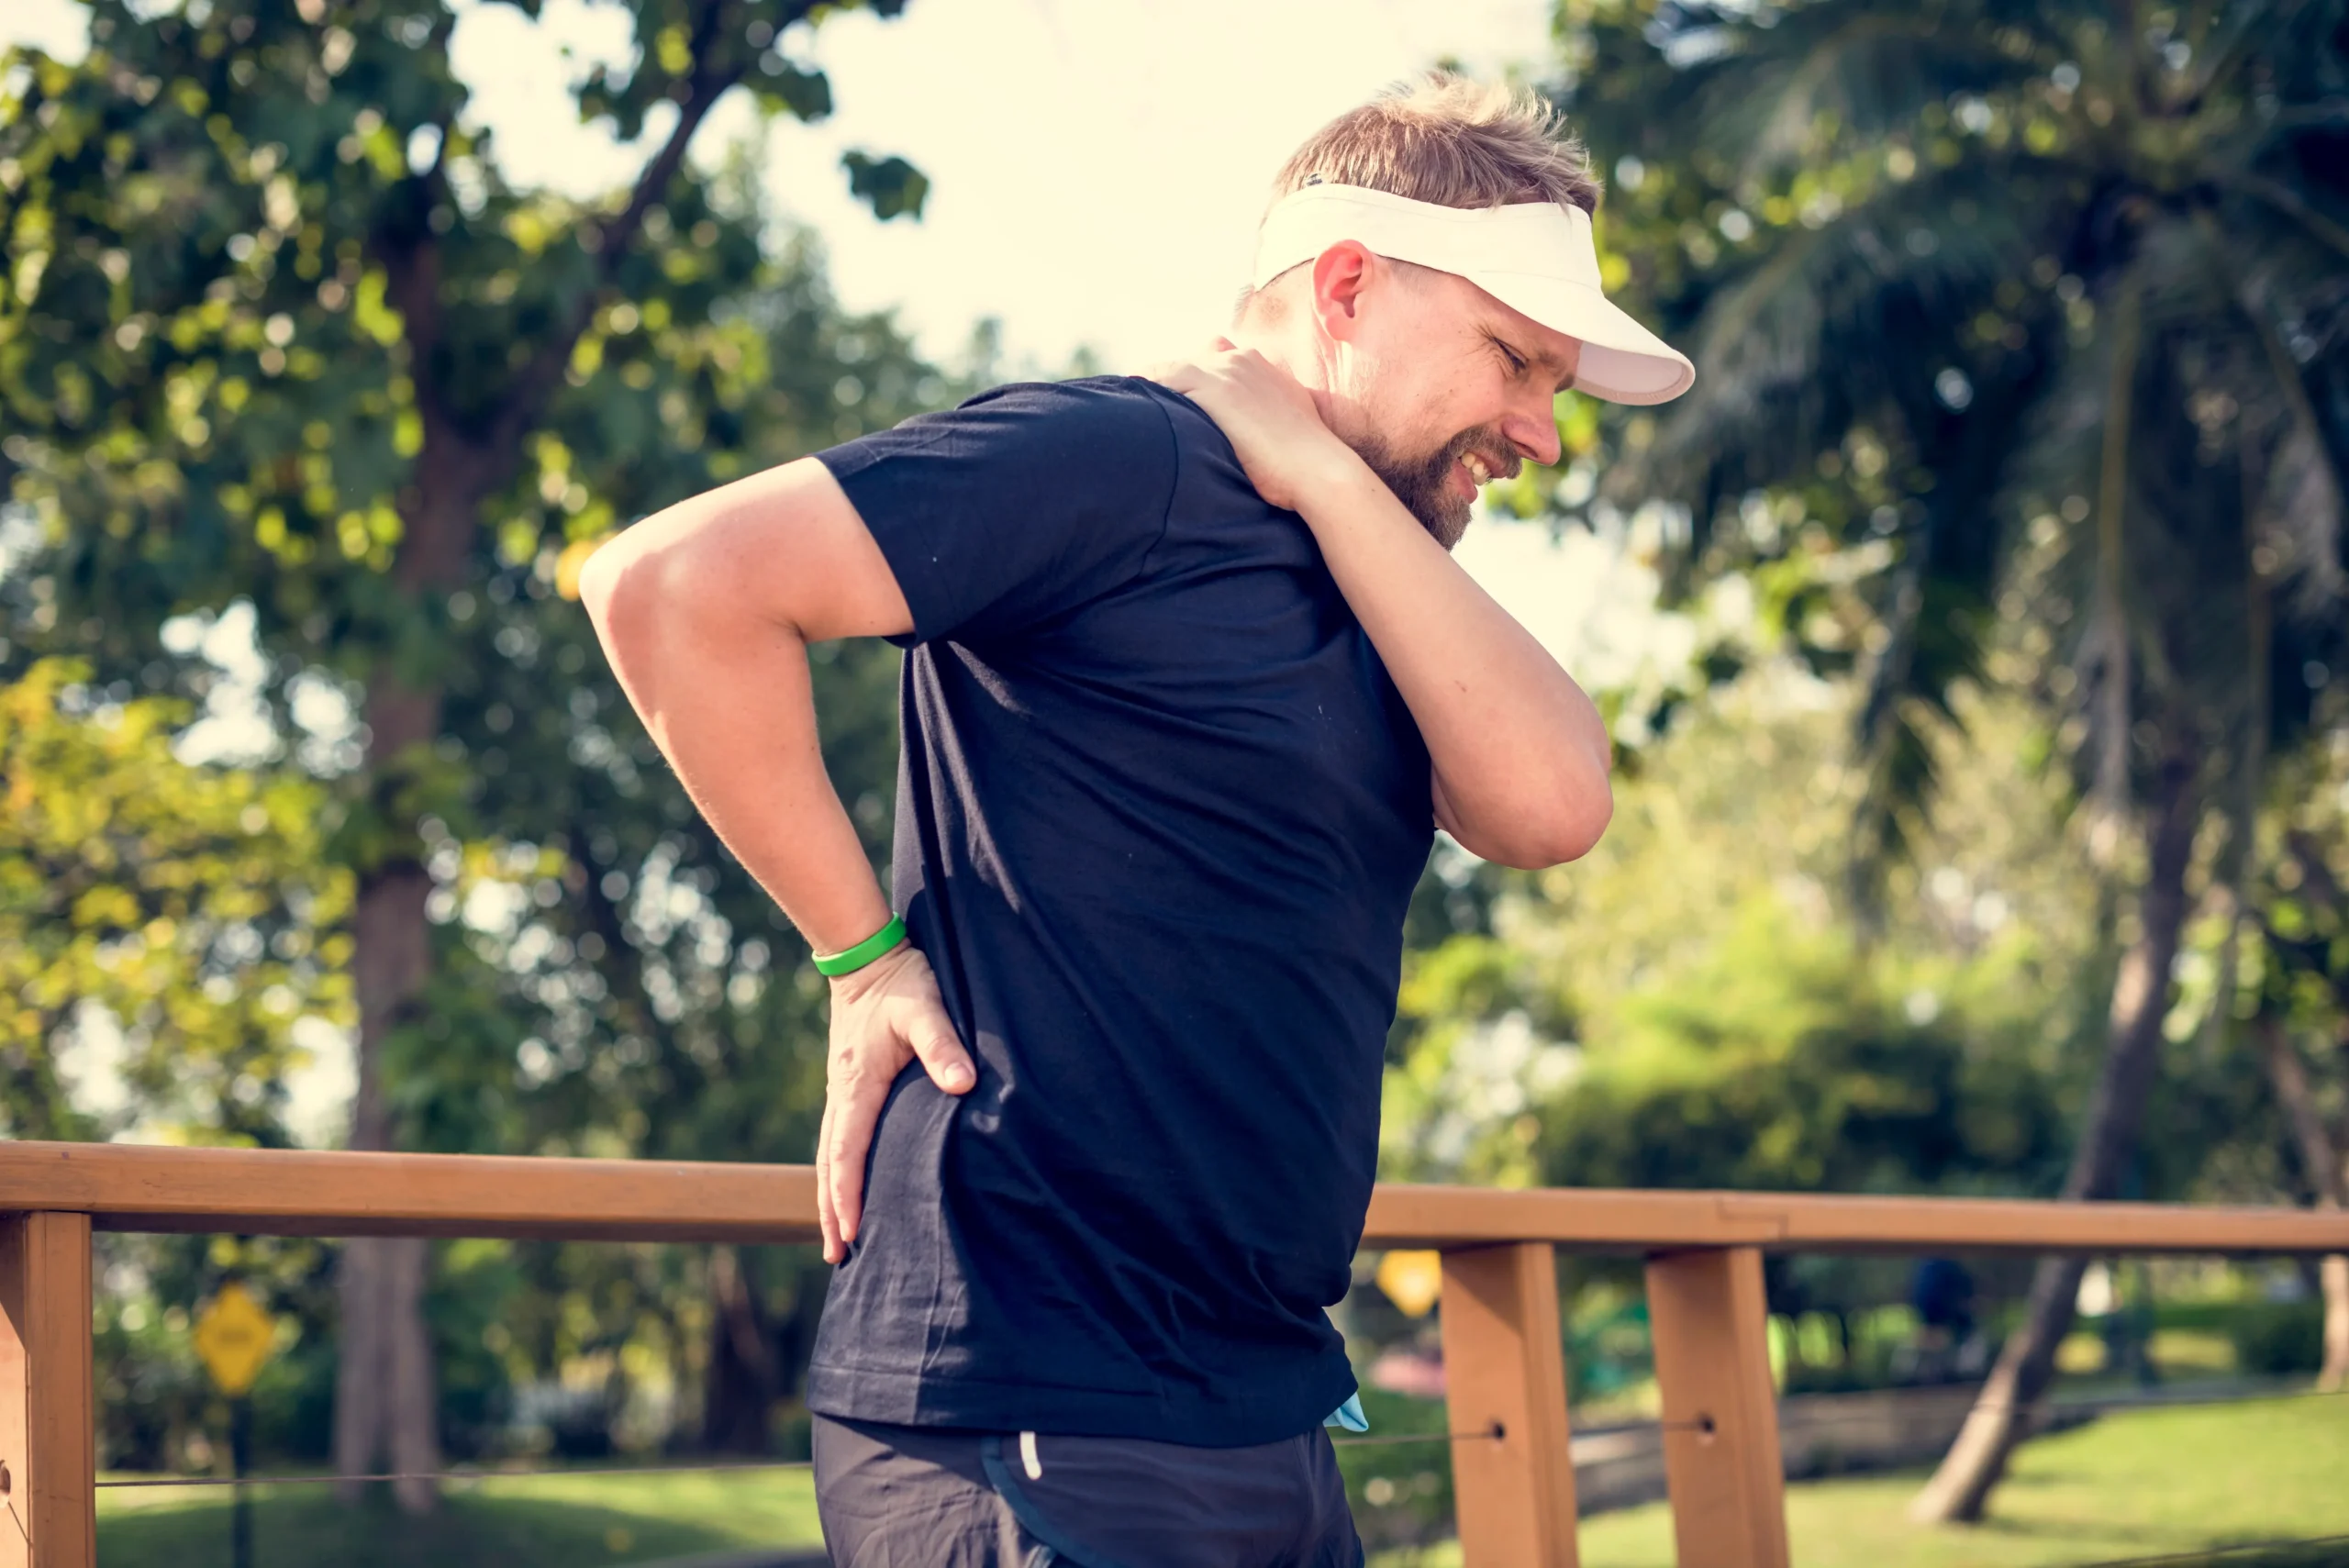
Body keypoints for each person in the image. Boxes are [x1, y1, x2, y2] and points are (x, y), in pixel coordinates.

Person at [582, 72, 1691, 1568]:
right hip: (1036, 1393)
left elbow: (1555, 803)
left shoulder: (1367, 567)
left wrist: (1311, 469)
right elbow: (670, 588)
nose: (1538, 433)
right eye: (1512, 360)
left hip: (1262, 1397)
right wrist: (862, 957)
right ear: (1347, 288)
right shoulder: (1127, 460)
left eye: (1551, 386)